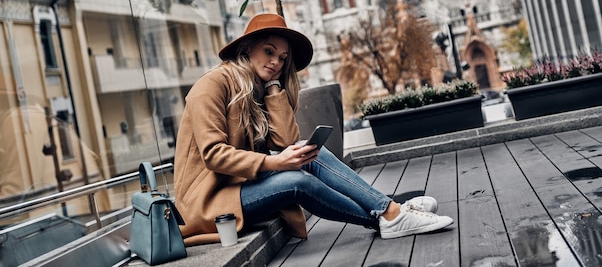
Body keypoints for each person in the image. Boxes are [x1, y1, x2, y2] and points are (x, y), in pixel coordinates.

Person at [173, 14, 453, 245]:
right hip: (210, 200)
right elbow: (213, 154)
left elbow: (286, 140)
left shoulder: (258, 88)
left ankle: (390, 210)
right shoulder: (212, 85)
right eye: (269, 51)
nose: (276, 62)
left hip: (240, 184)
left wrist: (273, 88)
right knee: (298, 182)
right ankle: (388, 216)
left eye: (283, 59)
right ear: (247, 49)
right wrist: (275, 163)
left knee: (309, 150)